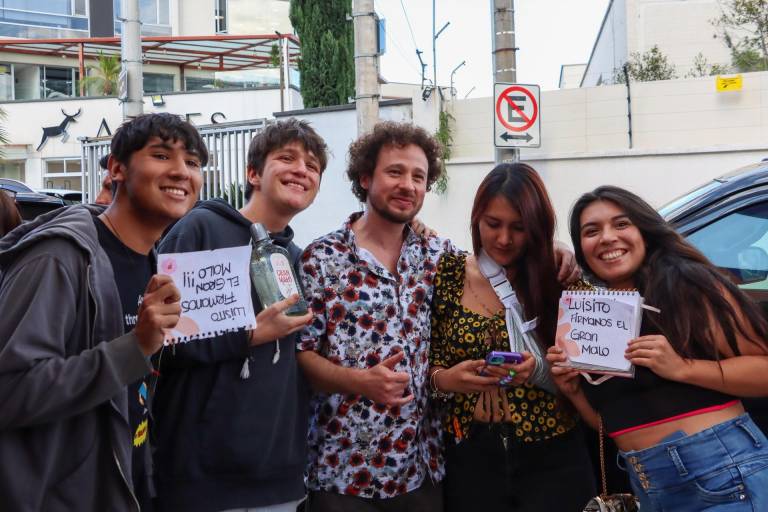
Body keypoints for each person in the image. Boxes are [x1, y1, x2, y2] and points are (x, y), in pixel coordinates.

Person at [297, 122, 580, 511]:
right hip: (344, 466)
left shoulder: (438, 258)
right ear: (365, 176)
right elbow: (302, 354)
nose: (408, 185)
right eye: (395, 172)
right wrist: (359, 382)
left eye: (419, 176)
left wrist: (557, 248)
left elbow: (499, 259)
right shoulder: (321, 258)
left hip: (423, 468)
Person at [0, 112, 206, 511]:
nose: (182, 172)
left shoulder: (150, 261)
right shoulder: (59, 259)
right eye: (162, 156)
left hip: (123, 488)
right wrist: (136, 347)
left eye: (194, 162)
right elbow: (10, 390)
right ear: (116, 169)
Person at [547, 185, 768, 511]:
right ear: (582, 248)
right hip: (649, 484)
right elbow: (617, 422)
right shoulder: (593, 316)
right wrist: (574, 391)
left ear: (645, 232)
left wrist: (683, 367)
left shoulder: (685, 283)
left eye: (621, 224)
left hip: (721, 472)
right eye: (591, 231)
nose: (607, 237)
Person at [152, 118, 327, 512]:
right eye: (287, 158)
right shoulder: (200, 229)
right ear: (253, 173)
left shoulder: (300, 261)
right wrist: (248, 334)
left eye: (313, 166)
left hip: (280, 483)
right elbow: (160, 344)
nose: (302, 169)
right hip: (200, 480)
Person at [428, 163, 596, 512]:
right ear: (476, 219)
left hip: (554, 455)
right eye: (493, 224)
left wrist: (540, 371)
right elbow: (431, 364)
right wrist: (447, 380)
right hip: (471, 454)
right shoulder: (448, 273)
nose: (504, 239)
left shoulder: (560, 279)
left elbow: (595, 374)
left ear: (537, 227)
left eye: (519, 228)